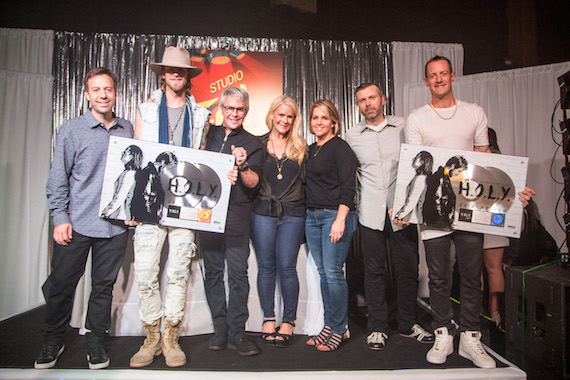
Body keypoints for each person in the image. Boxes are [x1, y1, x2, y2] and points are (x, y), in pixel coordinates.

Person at [403, 56, 535, 368]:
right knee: (438, 276)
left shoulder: (474, 113)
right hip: (434, 211)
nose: (438, 80)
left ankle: (472, 338)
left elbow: (486, 160)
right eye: (432, 76)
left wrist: (512, 192)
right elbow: (418, 166)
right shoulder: (417, 118)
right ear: (426, 81)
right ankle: (443, 333)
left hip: (468, 208)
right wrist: (407, 207)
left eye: (443, 74)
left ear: (451, 76)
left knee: (472, 276)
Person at [36, 68, 133, 370]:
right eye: (96, 90)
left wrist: (132, 212)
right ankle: (53, 338)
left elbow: (132, 178)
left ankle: (95, 342)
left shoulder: (127, 129)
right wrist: (60, 218)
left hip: (114, 228)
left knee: (103, 288)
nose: (103, 95)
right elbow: (57, 180)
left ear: (115, 93)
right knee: (62, 284)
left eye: (108, 89)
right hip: (75, 224)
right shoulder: (72, 129)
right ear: (87, 94)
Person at [128, 46, 210, 368]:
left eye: (181, 70)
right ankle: (150, 336)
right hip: (150, 203)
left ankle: (170, 337)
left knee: (178, 272)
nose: (176, 74)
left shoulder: (201, 114)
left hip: (184, 204)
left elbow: (202, 159)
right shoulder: (146, 111)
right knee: (145, 272)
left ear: (188, 75)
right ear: (162, 74)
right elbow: (136, 158)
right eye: (170, 70)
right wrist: (132, 207)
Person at [346, 83, 434, 351]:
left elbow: (421, 164)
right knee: (373, 270)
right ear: (358, 105)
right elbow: (350, 175)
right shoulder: (352, 135)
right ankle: (377, 328)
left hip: (403, 211)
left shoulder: (405, 126)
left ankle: (407, 324)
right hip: (370, 212)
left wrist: (408, 205)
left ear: (382, 99)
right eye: (362, 100)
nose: (368, 103)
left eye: (372, 97)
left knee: (409, 268)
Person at [200, 87, 264, 356]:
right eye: (230, 108)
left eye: (240, 109)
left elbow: (254, 183)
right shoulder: (207, 133)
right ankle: (220, 330)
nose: (234, 113)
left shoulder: (253, 142)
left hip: (237, 216)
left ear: (246, 112)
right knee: (213, 273)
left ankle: (237, 332)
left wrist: (244, 165)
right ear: (221, 109)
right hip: (207, 214)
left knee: (238, 275)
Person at [251, 96, 307, 348]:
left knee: (286, 267)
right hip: (262, 211)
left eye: (290, 116)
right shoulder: (257, 144)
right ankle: (268, 318)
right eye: (281, 114)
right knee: (265, 266)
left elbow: (308, 184)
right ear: (272, 114)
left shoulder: (302, 147)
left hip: (293, 214)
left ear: (294, 120)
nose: (284, 120)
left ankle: (289, 321)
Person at [304, 99, 358, 352]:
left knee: (334, 272)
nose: (319, 122)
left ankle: (340, 328)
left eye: (324, 118)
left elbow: (349, 188)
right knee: (324, 273)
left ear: (334, 122)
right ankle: (329, 324)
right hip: (312, 217)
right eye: (315, 118)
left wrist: (340, 219)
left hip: (333, 216)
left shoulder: (341, 148)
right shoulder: (311, 149)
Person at [482, 128, 510, 329]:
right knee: (492, 269)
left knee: (486, 270)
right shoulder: (502, 161)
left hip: (490, 218)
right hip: (491, 218)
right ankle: (493, 314)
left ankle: (489, 314)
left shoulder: (496, 160)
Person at [101, 145, 143, 220]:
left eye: (126, 152)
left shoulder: (129, 174)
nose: (122, 153)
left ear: (132, 156)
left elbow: (119, 198)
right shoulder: (130, 173)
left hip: (121, 215)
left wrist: (105, 213)